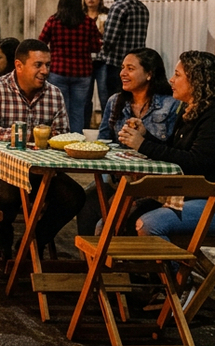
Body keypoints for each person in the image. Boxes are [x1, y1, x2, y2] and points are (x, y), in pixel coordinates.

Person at [118, 51, 215, 243]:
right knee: (114, 219)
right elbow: (175, 151)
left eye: (177, 75)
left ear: (196, 80)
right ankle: (144, 272)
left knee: (149, 224)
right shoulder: (189, 109)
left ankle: (175, 273)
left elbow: (195, 163)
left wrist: (142, 145)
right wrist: (146, 136)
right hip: (198, 197)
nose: (171, 80)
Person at [0, 38, 84, 275]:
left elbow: (63, 135)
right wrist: (24, 135)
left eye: (47, 64)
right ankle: (2, 248)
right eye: (38, 65)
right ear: (19, 65)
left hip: (40, 173)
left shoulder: (54, 94)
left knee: (74, 197)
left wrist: (58, 139)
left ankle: (32, 242)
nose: (45, 70)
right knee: (9, 193)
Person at [74, 47, 182, 236]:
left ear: (149, 74)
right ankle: (89, 261)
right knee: (87, 201)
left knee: (110, 220)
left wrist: (143, 137)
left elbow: (173, 149)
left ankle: (110, 258)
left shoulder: (171, 104)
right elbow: (103, 143)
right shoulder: (115, 102)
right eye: (123, 68)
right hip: (118, 178)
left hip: (153, 183)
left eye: (130, 69)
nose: (122, 73)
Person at [39, 0, 102, 133]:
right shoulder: (88, 22)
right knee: (77, 111)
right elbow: (96, 47)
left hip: (58, 71)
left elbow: (41, 42)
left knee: (60, 110)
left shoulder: (53, 21)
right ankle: (76, 141)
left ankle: (61, 141)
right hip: (82, 72)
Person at [97, 0, 149, 113]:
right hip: (137, 65)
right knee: (131, 103)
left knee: (113, 104)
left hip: (116, 65)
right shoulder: (142, 8)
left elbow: (109, 40)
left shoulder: (118, 7)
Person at [84, 0, 111, 126]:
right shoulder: (81, 16)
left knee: (104, 94)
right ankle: (85, 125)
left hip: (102, 60)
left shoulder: (106, 15)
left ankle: (106, 126)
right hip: (86, 61)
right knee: (85, 96)